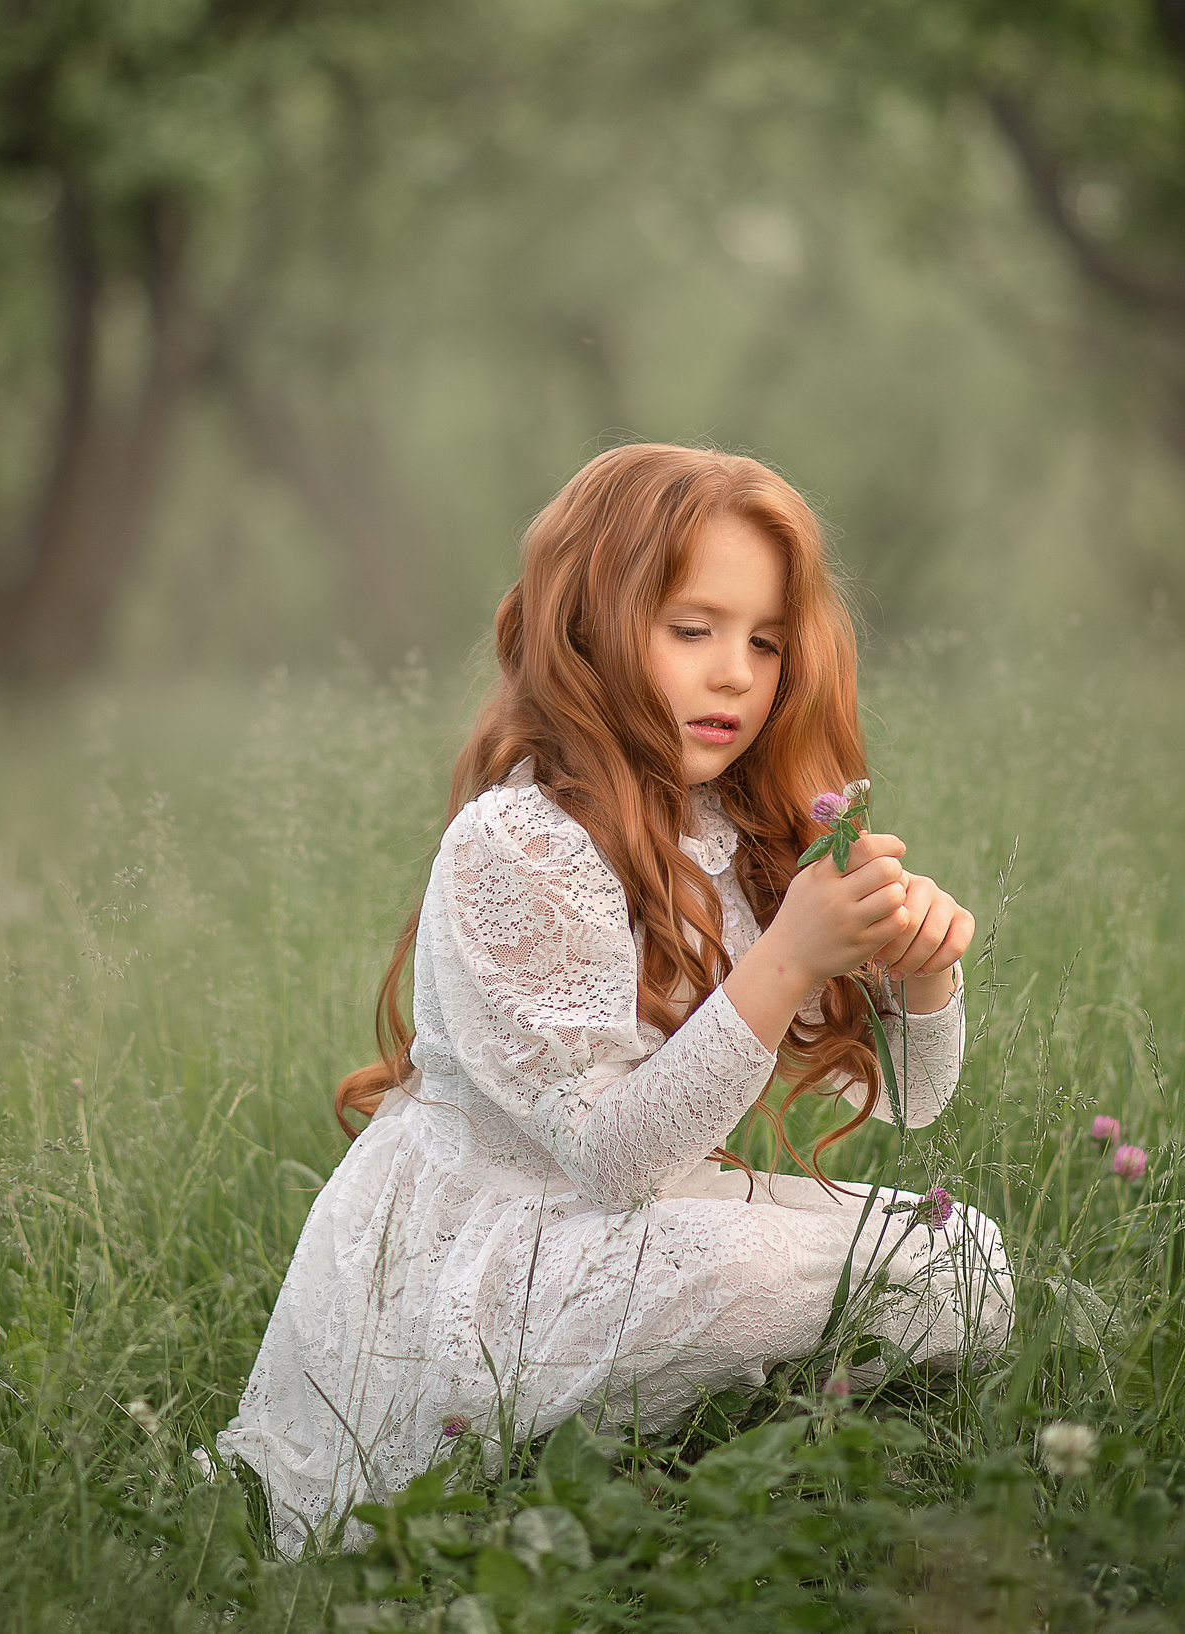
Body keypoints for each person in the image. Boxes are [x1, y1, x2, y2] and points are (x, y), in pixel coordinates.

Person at [213, 444, 1013, 1554]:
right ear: (588, 626)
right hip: (492, 1255)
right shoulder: (518, 841)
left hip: (629, 1221)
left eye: (765, 641)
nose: (735, 672)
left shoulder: (734, 833)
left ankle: (707, 1455)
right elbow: (609, 1157)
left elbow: (915, 1103)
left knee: (963, 1259)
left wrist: (925, 968)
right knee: (751, 1275)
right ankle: (563, 1480)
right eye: (693, 630)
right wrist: (787, 958)